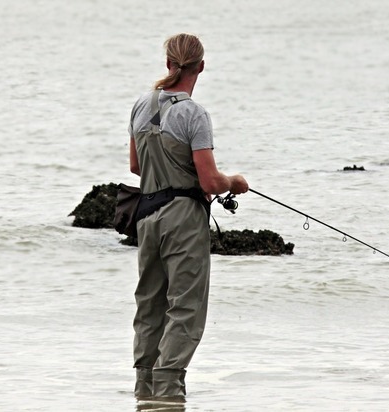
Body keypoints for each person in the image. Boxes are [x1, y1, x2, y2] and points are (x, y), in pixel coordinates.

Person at [128, 33, 248, 401]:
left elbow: (135, 167)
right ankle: (167, 390)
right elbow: (211, 181)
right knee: (186, 307)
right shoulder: (193, 113)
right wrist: (236, 182)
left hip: (146, 216)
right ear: (201, 67)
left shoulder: (140, 105)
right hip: (182, 218)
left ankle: (144, 390)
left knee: (150, 305)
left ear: (168, 64)